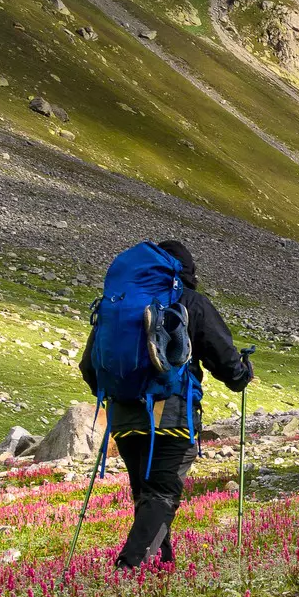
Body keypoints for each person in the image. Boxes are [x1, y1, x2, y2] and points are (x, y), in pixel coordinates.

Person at [79, 239, 252, 570]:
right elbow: (228, 366)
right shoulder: (190, 302)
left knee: (147, 494)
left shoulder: (118, 304)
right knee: (161, 494)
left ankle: (160, 567)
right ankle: (129, 570)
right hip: (171, 413)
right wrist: (243, 373)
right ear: (185, 271)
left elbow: (90, 367)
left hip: (125, 414)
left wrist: (124, 392)